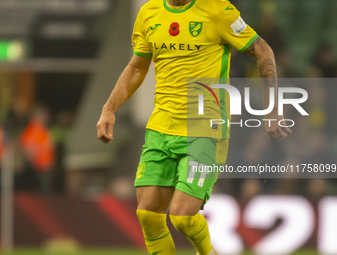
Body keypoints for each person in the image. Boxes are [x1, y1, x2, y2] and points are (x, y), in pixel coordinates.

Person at [97, 0, 291, 254]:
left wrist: (272, 107)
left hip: (204, 129)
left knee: (182, 217)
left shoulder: (218, 10)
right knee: (148, 215)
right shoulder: (149, 12)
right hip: (160, 128)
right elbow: (137, 66)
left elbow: (263, 50)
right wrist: (109, 108)